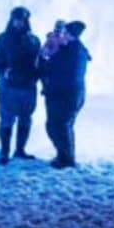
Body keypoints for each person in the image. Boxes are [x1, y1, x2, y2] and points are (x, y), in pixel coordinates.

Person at [0, 6, 42, 164]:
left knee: (25, 118)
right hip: (8, 87)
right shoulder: (2, 39)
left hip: (28, 86)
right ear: (11, 20)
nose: (19, 23)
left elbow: (39, 62)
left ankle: (20, 150)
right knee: (7, 119)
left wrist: (37, 76)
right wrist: (2, 72)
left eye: (22, 20)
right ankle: (4, 152)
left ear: (26, 21)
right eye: (16, 19)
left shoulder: (34, 40)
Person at [40, 20, 91, 169]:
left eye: (65, 33)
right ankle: (63, 155)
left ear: (71, 35)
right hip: (61, 94)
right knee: (56, 126)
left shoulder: (75, 52)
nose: (62, 35)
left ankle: (67, 159)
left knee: (61, 126)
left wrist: (48, 60)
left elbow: (64, 74)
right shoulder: (69, 49)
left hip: (68, 95)